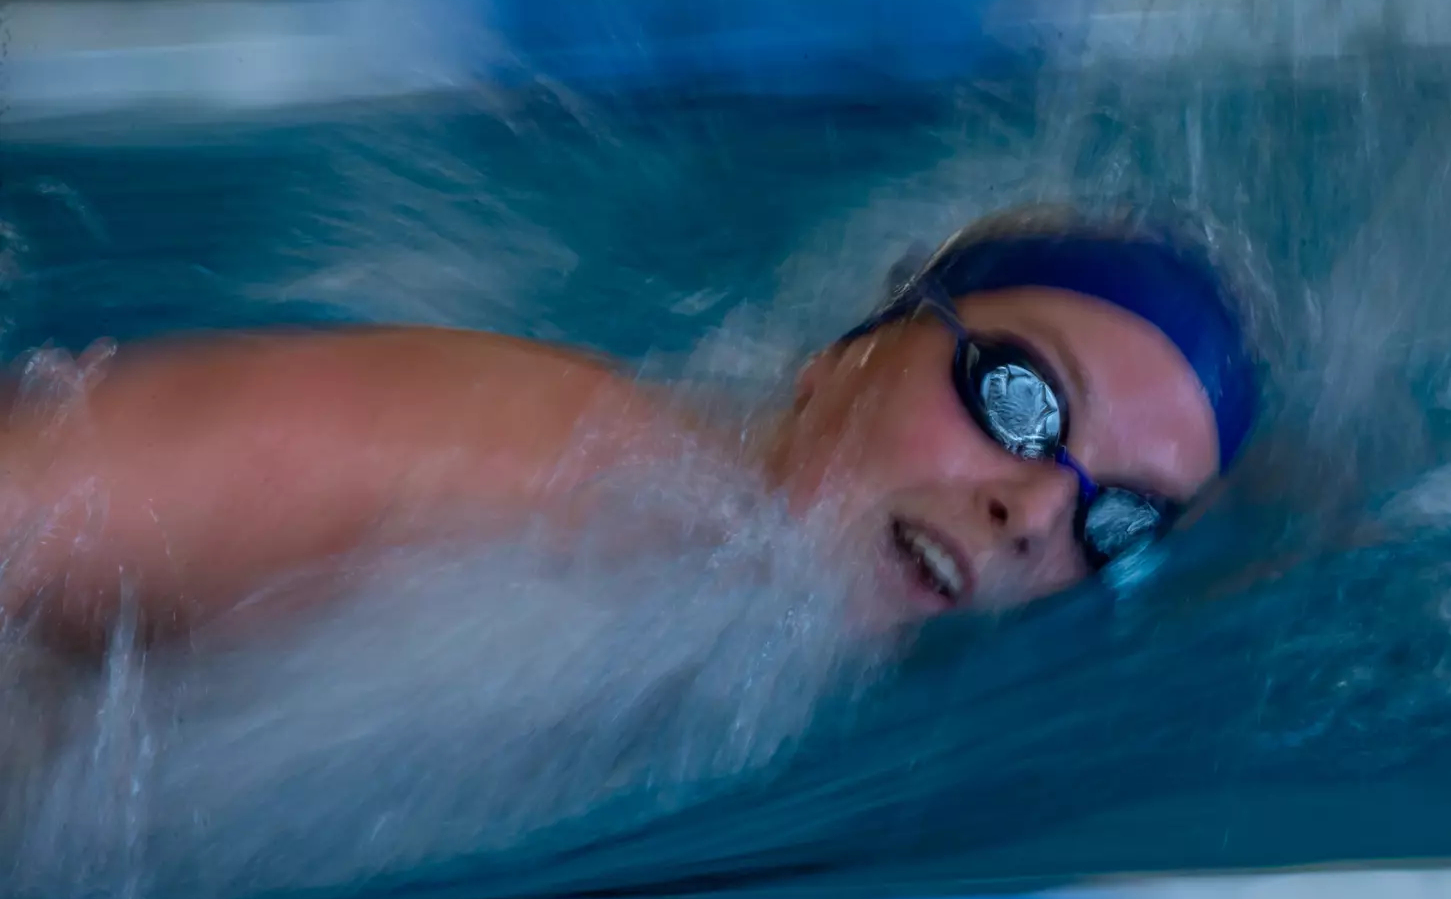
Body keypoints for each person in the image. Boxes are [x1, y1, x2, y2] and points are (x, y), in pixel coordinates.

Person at [0, 207, 1259, 643]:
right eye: (1023, 405)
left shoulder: (762, 637)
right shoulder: (528, 459)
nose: (1035, 513)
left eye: (1118, 515)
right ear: (850, 352)